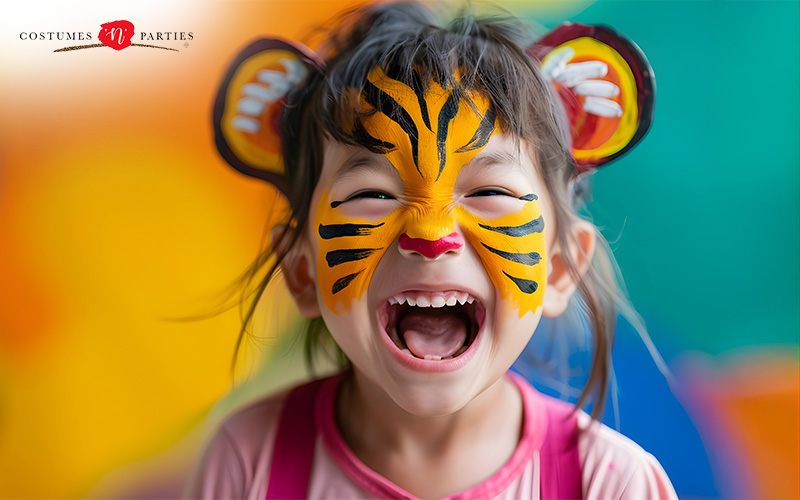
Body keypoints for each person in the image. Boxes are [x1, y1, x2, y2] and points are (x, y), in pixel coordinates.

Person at [187, 2, 677, 498]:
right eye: (371, 196)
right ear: (301, 271)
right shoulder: (251, 460)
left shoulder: (610, 485)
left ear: (559, 267)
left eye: (490, 193)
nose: (430, 233)